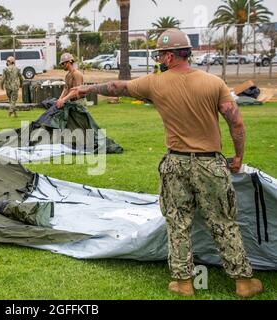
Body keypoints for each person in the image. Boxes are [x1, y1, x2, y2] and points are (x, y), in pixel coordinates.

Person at [60, 28, 263, 298]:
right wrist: (238, 157)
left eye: (160, 55)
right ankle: (243, 282)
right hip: (210, 165)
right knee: (224, 222)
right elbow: (235, 121)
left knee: (178, 222)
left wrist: (86, 88)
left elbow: (117, 87)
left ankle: (184, 282)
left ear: (168, 56)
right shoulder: (214, 83)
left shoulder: (156, 84)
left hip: (175, 164)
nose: (158, 59)